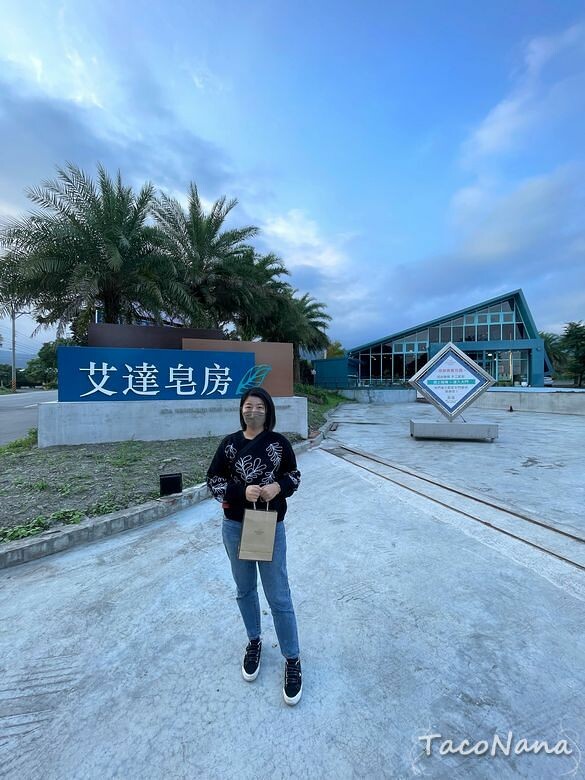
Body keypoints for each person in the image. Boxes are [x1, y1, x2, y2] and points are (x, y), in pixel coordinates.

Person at [206, 387, 303, 705]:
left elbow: (294, 476)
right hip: (236, 526)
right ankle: (254, 641)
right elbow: (214, 481)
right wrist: (240, 491)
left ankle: (292, 658)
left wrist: (279, 486)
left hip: (269, 526)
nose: (253, 411)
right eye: (248, 406)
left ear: (268, 411)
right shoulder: (229, 444)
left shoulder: (279, 444)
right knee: (245, 589)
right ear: (241, 410)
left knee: (278, 595)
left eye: (260, 406)